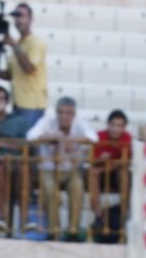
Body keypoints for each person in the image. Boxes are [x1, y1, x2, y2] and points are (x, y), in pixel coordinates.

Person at [26, 97, 95, 241]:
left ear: (74, 114)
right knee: (50, 189)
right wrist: (53, 137)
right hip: (48, 168)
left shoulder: (79, 123)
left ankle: (73, 229)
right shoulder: (47, 121)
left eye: (68, 113)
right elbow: (30, 136)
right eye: (61, 112)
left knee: (78, 186)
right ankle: (53, 229)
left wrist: (68, 140)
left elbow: (93, 138)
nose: (64, 116)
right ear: (56, 112)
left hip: (70, 169)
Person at [0, 3, 47, 134]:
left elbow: (29, 69)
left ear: (30, 19)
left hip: (32, 105)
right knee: (19, 142)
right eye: (16, 16)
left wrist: (13, 45)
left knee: (29, 144)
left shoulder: (36, 43)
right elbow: (10, 75)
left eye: (21, 16)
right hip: (18, 103)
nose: (18, 20)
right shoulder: (18, 44)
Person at [88, 110, 132, 244]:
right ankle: (98, 215)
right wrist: (103, 163)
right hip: (100, 172)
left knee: (124, 173)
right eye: (113, 124)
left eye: (119, 125)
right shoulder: (98, 136)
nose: (115, 129)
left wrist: (108, 165)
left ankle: (123, 216)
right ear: (108, 125)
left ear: (124, 127)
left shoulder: (127, 138)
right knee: (92, 173)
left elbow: (125, 161)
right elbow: (92, 161)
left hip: (115, 172)